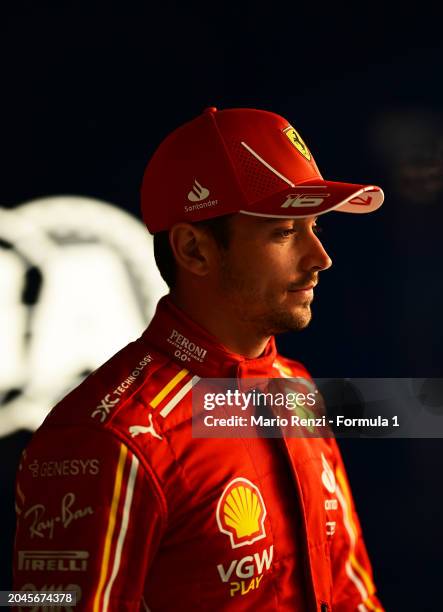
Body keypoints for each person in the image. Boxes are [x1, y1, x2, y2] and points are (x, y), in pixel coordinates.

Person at [12, 107, 385, 611]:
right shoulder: (108, 437)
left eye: (315, 227)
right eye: (284, 232)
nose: (320, 258)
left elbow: (352, 597)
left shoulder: (297, 390)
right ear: (194, 249)